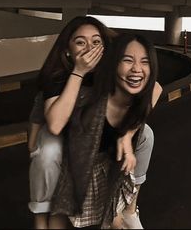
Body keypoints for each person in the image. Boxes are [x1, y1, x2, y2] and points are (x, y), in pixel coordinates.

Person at [28, 16, 160, 229]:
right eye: (81, 42)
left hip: (88, 135)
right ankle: (40, 217)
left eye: (96, 42)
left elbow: (154, 89)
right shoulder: (58, 75)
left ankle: (128, 209)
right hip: (60, 132)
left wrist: (127, 135)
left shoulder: (109, 70)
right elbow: (53, 124)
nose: (89, 48)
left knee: (146, 134)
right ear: (67, 50)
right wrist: (78, 71)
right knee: (48, 152)